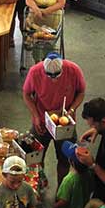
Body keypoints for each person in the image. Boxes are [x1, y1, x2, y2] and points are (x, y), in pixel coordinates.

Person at [22, 53, 85, 186]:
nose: (54, 80)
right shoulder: (34, 72)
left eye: (57, 75)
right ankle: (39, 184)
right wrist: (36, 116)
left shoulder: (74, 70)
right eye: (49, 76)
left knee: (65, 159)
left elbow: (81, 92)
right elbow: (26, 94)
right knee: (36, 158)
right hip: (41, 123)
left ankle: (61, 191)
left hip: (64, 123)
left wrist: (71, 110)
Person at [54, 142, 92, 208]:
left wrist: (55, 206)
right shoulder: (90, 173)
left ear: (71, 162)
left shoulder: (68, 180)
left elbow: (64, 201)